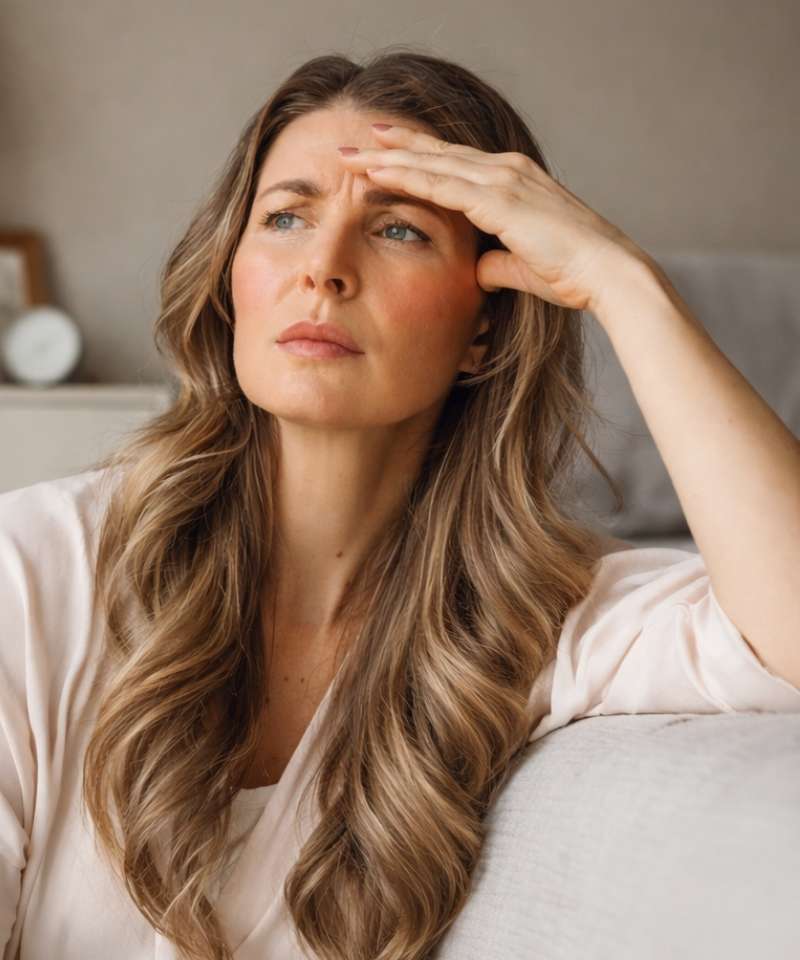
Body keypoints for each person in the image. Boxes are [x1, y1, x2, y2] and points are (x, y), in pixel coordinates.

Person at [2, 47, 799, 960]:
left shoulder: (532, 620)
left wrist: (621, 283)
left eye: (399, 231)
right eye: (288, 217)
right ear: (230, 282)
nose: (325, 269)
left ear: (483, 331)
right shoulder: (33, 572)